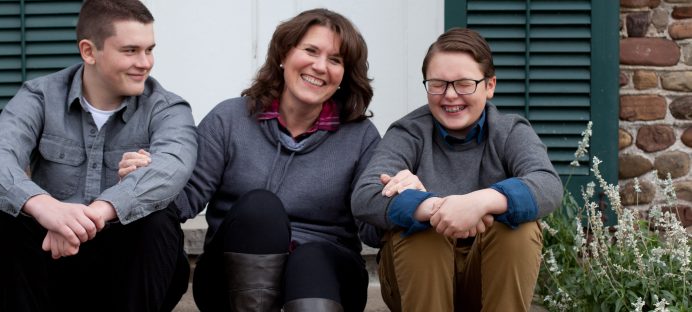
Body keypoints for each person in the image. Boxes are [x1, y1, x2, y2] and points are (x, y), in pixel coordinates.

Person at [118, 8, 378, 312]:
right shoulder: (229, 119)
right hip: (229, 277)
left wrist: (402, 196)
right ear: (283, 53)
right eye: (310, 51)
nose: (320, 66)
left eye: (335, 60)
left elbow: (371, 225)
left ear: (344, 75)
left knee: (311, 258)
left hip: (326, 275)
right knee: (260, 208)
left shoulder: (360, 136)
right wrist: (147, 179)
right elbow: (185, 198)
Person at [0, 0, 197, 311]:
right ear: (89, 51)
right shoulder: (40, 96)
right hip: (54, 263)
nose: (146, 62)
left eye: (149, 49)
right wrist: (46, 208)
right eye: (130, 50)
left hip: (127, 274)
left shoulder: (167, 108)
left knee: (158, 216)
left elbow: (174, 166)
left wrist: (93, 214)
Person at [351, 28, 563, 311]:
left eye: (464, 84)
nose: (450, 95)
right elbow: (365, 195)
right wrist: (432, 207)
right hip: (417, 283)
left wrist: (480, 202)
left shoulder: (510, 131)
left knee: (519, 228)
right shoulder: (408, 133)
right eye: (438, 84)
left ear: (490, 85)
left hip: (489, 280)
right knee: (421, 229)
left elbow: (547, 184)